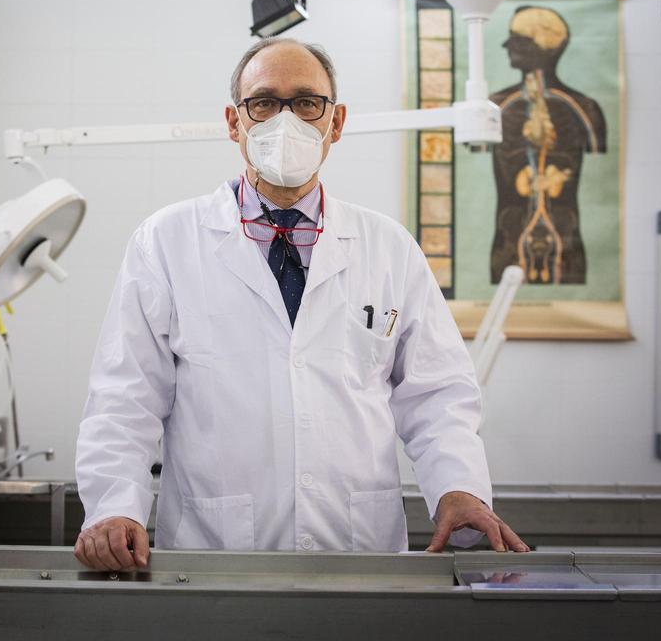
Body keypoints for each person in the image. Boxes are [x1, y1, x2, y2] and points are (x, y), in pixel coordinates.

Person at [74, 38, 527, 571]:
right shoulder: (167, 241)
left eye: (307, 103)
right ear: (233, 121)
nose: (284, 122)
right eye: (264, 102)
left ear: (335, 123)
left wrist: (459, 487)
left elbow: (438, 394)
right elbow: (126, 398)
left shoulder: (388, 247)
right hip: (214, 553)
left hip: (359, 550)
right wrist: (113, 507)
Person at [488, 6, 607, 285]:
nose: (507, 45)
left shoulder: (585, 110)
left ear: (540, 46)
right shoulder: (493, 107)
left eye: (516, 38)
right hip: (507, 245)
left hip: (566, 251)